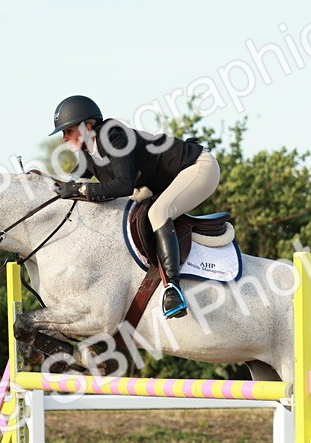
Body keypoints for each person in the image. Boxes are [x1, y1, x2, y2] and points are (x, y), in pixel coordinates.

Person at [48, 95, 221, 319]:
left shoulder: (113, 137)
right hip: (170, 178)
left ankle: (173, 290)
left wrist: (81, 190)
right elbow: (72, 181)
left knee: (158, 212)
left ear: (87, 126)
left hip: (198, 168)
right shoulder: (88, 151)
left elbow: (123, 185)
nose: (64, 138)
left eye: (67, 131)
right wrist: (47, 186)